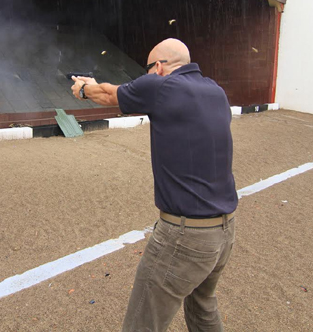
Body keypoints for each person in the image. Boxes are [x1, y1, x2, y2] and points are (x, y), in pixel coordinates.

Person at [71, 38, 237, 332]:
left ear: (159, 67)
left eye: (148, 70)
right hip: (224, 231)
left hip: (185, 236)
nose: (145, 77)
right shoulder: (216, 91)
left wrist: (83, 89)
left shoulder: (160, 87)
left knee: (142, 324)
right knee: (202, 308)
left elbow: (108, 95)